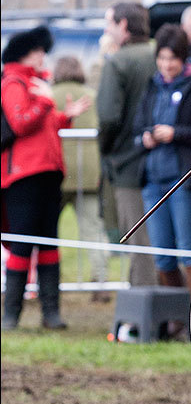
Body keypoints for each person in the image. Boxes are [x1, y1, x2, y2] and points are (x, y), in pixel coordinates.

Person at [1, 25, 91, 330]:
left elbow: (44, 126)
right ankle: (10, 316)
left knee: (49, 242)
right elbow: (21, 123)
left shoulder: (35, 84)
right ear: (28, 53)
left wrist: (65, 115)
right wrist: (45, 102)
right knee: (23, 242)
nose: (44, 57)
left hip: (47, 173)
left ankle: (51, 313)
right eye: (40, 51)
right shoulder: (14, 83)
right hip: (23, 177)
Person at [132, 23, 191, 298]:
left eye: (173, 59)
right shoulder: (151, 86)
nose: (167, 65)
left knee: (188, 249)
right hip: (153, 180)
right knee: (162, 253)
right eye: (162, 58)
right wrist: (145, 137)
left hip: (185, 183)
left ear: (183, 58)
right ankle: (177, 317)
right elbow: (138, 126)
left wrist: (174, 134)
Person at [96, 3, 157, 287]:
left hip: (127, 162)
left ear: (123, 25)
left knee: (139, 243)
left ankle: (146, 312)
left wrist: (106, 150)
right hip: (165, 159)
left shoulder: (117, 62)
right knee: (167, 238)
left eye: (110, 23)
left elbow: (108, 117)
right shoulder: (162, 54)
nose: (108, 30)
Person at [51, 55, 110, 299]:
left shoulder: (48, 95)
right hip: (88, 172)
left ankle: (47, 281)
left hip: (57, 171)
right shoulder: (92, 96)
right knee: (92, 228)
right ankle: (101, 280)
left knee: (46, 229)